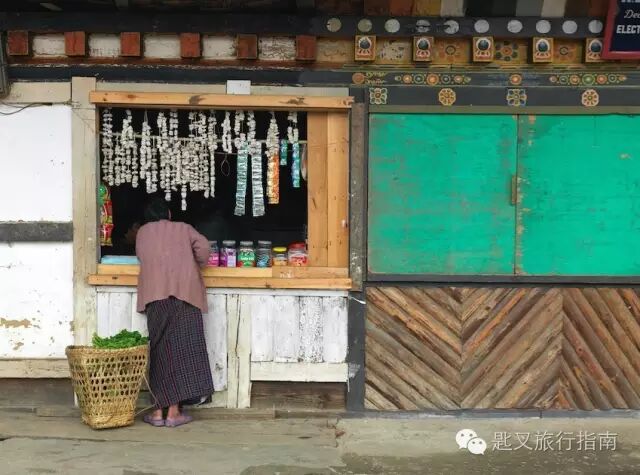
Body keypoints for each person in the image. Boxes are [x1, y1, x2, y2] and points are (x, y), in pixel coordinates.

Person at [135, 197, 214, 428]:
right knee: (182, 352)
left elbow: (143, 256)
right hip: (184, 296)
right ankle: (173, 413)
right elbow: (204, 250)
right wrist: (191, 263)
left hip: (155, 298)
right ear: (169, 214)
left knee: (160, 351)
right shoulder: (184, 228)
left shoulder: (142, 233)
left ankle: (157, 413)